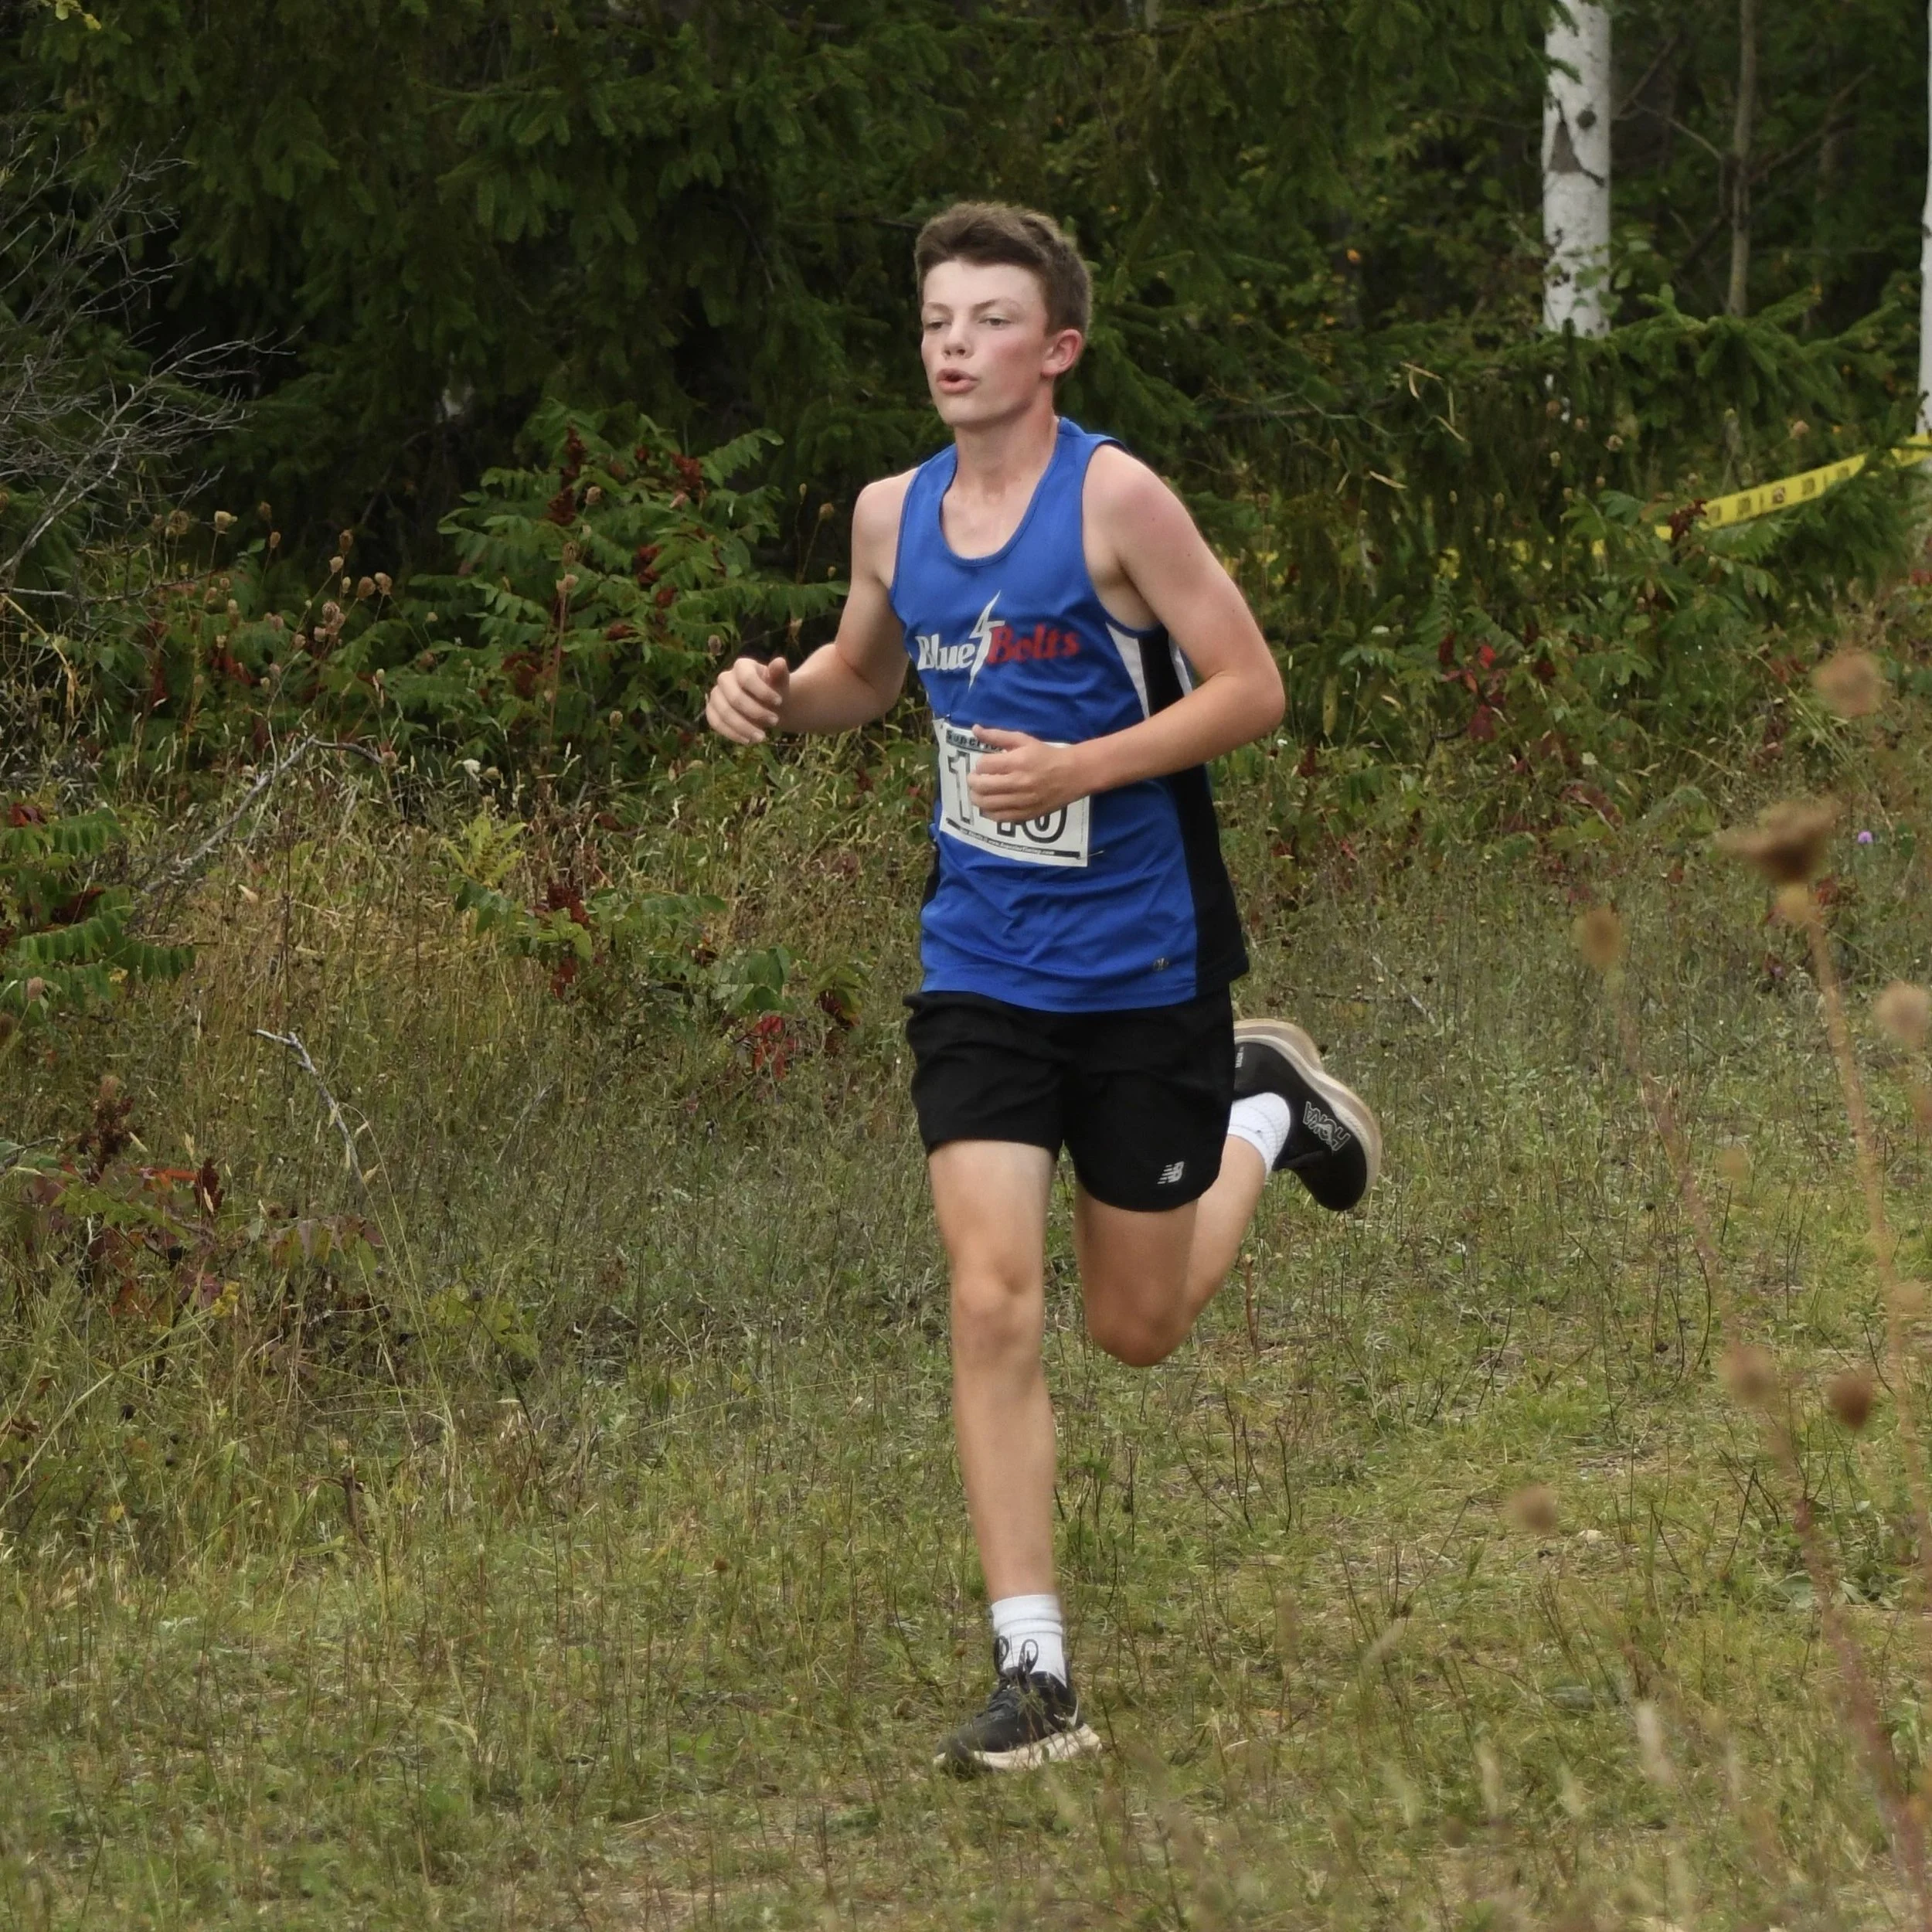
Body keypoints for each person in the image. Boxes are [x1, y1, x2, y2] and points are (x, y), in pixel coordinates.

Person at [705, 202, 1381, 1774]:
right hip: (981, 963)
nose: (952, 342)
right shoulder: (892, 514)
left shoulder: (1115, 501)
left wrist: (1084, 758)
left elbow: (1252, 685)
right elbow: (865, 679)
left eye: (989, 318)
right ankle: (1036, 1675)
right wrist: (773, 695)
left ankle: (1265, 1106)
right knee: (991, 1293)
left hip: (1141, 963)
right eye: (935, 317)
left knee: (1137, 1325)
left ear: (1055, 347)